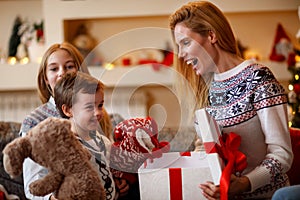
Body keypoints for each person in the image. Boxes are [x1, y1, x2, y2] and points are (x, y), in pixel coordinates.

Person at [169, 1, 293, 199]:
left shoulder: (259, 79)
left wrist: (244, 184)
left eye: (185, 43)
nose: (180, 54)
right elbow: (205, 147)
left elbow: (282, 154)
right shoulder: (206, 88)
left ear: (211, 35)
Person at [19, 42, 129, 200]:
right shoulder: (34, 122)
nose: (62, 73)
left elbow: (104, 162)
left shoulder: (97, 117)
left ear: (80, 71)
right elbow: (32, 185)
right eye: (54, 68)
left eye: (69, 66)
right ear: (45, 78)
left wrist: (117, 181)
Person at [54, 72, 138, 200]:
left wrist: (120, 183)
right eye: (89, 107)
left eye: (100, 105)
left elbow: (111, 174)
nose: (98, 112)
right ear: (68, 110)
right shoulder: (62, 147)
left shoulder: (104, 142)